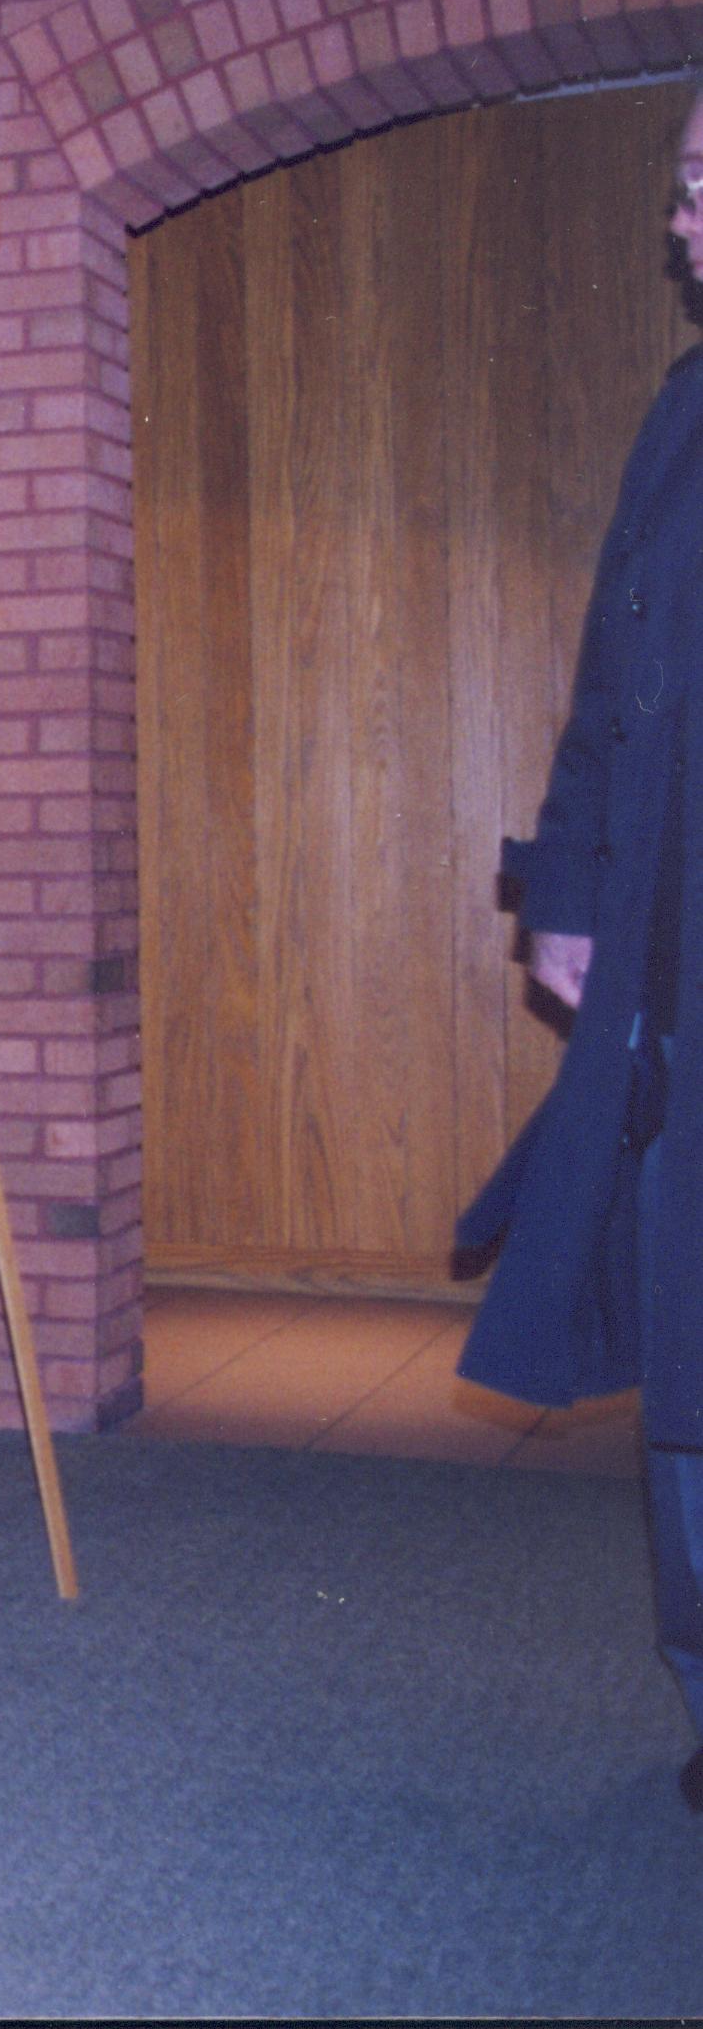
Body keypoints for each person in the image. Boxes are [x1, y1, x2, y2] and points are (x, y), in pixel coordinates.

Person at [452, 90, 703, 1816]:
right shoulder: (683, 414)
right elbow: (613, 684)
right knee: (686, 1356)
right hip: (676, 982)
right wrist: (563, 889)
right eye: (683, 187)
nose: (685, 220)